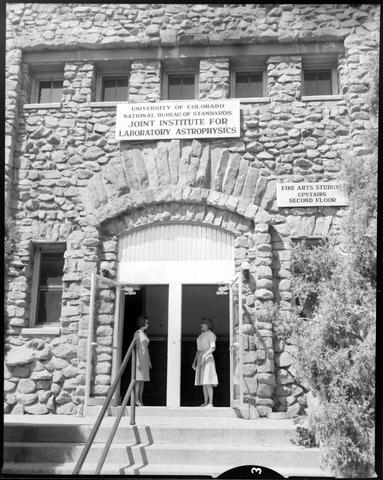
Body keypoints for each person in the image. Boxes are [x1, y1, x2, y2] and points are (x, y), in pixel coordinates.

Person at [192, 317, 218, 407]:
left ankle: (211, 402)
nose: (201, 325)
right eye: (201, 323)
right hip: (201, 357)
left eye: (203, 323)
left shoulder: (211, 335)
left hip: (208, 358)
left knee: (208, 381)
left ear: (208, 325)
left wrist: (205, 355)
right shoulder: (200, 336)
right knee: (203, 382)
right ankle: (205, 402)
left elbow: (212, 348)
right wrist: (194, 361)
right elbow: (198, 350)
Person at [133, 315, 151, 406]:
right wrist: (137, 361)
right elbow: (136, 347)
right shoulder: (137, 333)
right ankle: (136, 399)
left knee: (143, 380)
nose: (148, 324)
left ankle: (140, 399)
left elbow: (146, 348)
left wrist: (149, 361)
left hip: (145, 357)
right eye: (146, 322)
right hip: (139, 356)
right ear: (142, 323)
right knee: (138, 380)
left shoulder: (144, 334)